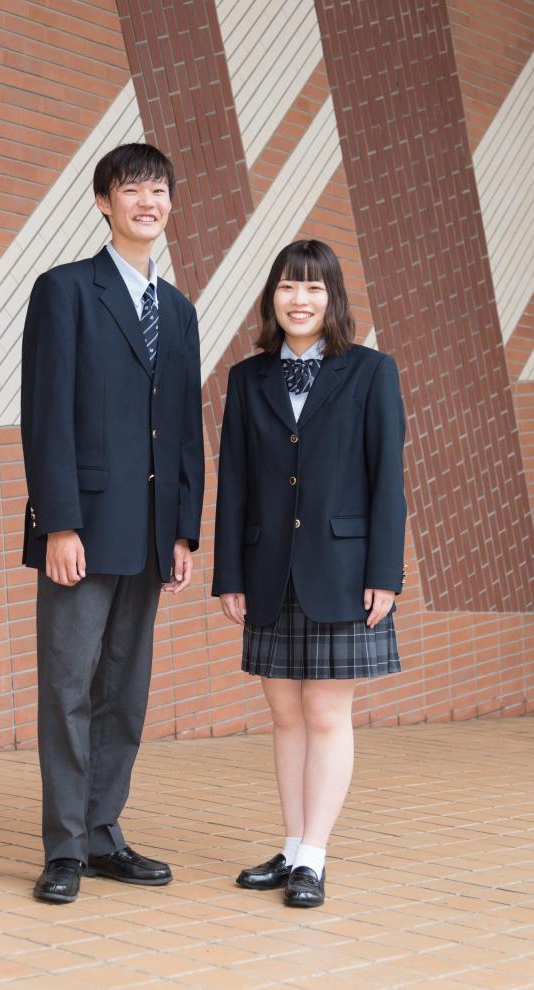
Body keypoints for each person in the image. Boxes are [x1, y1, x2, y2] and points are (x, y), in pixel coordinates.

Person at [21, 143, 204, 903]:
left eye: (159, 190)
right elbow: (46, 415)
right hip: (84, 528)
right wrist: (59, 523)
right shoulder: (65, 290)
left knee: (124, 692)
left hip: (151, 532)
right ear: (104, 203)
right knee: (68, 687)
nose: (147, 201)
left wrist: (185, 528)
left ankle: (103, 835)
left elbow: (187, 425)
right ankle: (63, 847)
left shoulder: (180, 309)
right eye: (133, 189)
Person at [212, 239, 406, 908]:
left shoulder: (372, 372)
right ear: (273, 298)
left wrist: (386, 572)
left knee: (326, 713)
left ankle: (315, 858)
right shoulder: (247, 378)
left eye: (314, 288)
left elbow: (389, 481)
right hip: (268, 567)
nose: (300, 299)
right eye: (289, 287)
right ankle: (292, 847)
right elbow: (232, 483)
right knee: (284, 714)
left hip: (345, 570)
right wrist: (228, 573)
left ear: (333, 299)